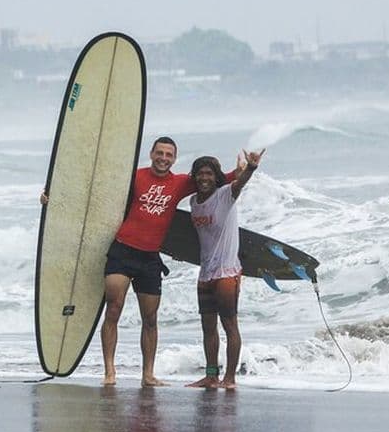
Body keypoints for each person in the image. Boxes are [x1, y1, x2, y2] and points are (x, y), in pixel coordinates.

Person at [42, 137, 235, 387]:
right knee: (113, 309)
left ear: (174, 159)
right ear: (152, 153)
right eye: (160, 153)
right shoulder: (134, 177)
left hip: (150, 258)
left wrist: (247, 169)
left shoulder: (180, 183)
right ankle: (110, 372)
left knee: (150, 319)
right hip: (122, 251)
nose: (163, 158)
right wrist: (54, 198)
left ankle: (148, 374)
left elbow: (217, 179)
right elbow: (95, 194)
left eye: (169, 154)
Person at [185, 149, 264, 389]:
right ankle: (211, 376)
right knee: (208, 327)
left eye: (209, 173)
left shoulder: (225, 195)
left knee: (229, 325)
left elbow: (239, 184)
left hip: (227, 273)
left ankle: (230, 378)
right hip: (205, 273)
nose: (204, 178)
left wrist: (250, 168)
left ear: (217, 176)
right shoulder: (193, 202)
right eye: (199, 174)